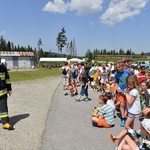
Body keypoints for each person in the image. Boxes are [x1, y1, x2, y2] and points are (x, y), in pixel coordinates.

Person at [115, 62, 131, 127]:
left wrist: (129, 88)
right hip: (120, 90)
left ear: (122, 66)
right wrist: (117, 88)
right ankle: (123, 117)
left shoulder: (127, 72)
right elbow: (116, 82)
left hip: (127, 89)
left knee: (127, 103)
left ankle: (126, 114)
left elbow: (131, 80)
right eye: (117, 67)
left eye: (119, 67)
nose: (117, 68)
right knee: (122, 104)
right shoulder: (116, 74)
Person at [0, 58, 14, 130]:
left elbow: (7, 79)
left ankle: (5, 123)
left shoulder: (3, 68)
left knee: (4, 109)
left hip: (3, 93)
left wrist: (9, 89)